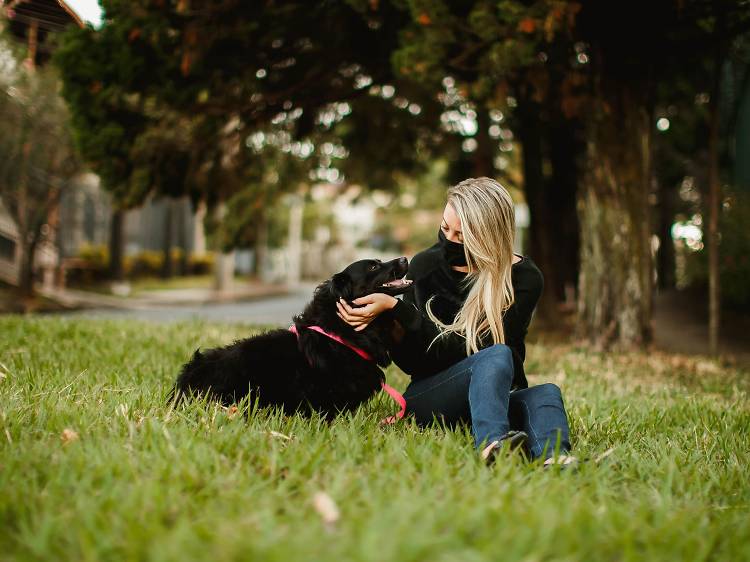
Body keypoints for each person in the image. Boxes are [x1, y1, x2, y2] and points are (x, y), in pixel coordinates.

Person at [336, 177, 575, 467]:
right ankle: (492, 447)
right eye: (445, 228)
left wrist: (401, 311)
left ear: (487, 237)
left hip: (493, 397)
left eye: (461, 236)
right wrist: (395, 312)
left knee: (546, 392)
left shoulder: (523, 279)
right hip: (433, 397)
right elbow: (417, 363)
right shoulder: (426, 266)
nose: (449, 240)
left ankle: (555, 458)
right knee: (496, 354)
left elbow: (473, 349)